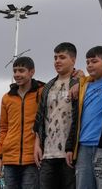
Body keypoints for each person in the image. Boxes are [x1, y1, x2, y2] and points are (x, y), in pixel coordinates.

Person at [66, 46, 102, 189]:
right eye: (87, 62)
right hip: (83, 147)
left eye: (94, 61)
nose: (89, 65)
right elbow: (75, 119)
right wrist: (70, 147)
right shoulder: (83, 86)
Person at [0, 56, 44, 189]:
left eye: (21, 70)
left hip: (32, 157)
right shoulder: (7, 98)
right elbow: (3, 128)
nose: (17, 74)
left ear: (32, 72)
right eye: (15, 71)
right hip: (10, 157)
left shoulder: (42, 92)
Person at [34, 43, 78, 189]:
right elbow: (40, 117)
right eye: (55, 58)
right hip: (47, 153)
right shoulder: (48, 86)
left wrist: (82, 80)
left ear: (73, 60)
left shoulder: (79, 83)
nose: (57, 61)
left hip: (70, 152)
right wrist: (37, 145)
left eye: (62, 57)